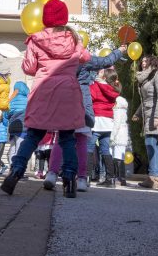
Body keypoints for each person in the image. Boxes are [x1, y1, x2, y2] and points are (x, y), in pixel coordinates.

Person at [1, 0, 90, 197]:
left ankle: (16, 171)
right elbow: (86, 58)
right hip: (67, 92)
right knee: (67, 139)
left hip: (43, 90)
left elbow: (29, 68)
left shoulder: (36, 39)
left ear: (45, 18)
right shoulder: (74, 38)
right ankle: (69, 181)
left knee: (33, 136)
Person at [43, 45, 126, 192]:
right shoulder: (85, 59)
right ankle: (81, 178)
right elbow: (106, 61)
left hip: (65, 100)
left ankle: (52, 174)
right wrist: (119, 51)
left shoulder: (62, 58)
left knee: (60, 140)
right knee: (82, 141)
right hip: (82, 104)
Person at [132, 55, 158, 189]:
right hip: (149, 114)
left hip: (156, 114)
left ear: (152, 62)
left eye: (146, 61)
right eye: (142, 61)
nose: (143, 63)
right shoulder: (146, 78)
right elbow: (146, 100)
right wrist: (138, 113)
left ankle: (153, 176)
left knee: (150, 143)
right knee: (153, 144)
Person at [88, 68, 121, 187]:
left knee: (89, 148)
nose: (99, 72)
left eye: (101, 72)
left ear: (104, 77)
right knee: (105, 150)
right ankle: (110, 179)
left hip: (97, 120)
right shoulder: (114, 88)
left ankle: (85, 176)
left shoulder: (95, 86)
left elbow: (89, 99)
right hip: (108, 121)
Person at [4, 81, 29, 167]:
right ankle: (17, 167)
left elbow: (6, 115)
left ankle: (12, 166)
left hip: (12, 128)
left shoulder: (11, 100)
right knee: (20, 147)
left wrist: (5, 124)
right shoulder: (28, 100)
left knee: (12, 147)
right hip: (23, 128)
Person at [111, 94, 129, 186]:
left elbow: (116, 124)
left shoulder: (117, 110)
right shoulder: (123, 110)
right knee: (120, 157)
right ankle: (122, 178)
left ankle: (119, 178)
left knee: (117, 157)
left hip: (118, 135)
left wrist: (112, 136)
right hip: (122, 134)